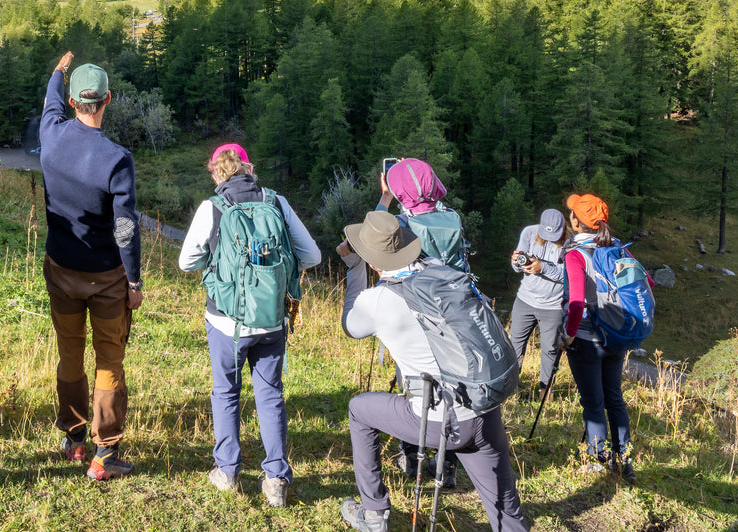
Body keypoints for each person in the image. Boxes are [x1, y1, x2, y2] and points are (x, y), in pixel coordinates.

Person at [337, 211, 529, 532]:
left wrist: (353, 268)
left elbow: (350, 324)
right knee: (506, 510)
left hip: (438, 420)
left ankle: (373, 513)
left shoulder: (378, 300)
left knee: (359, 410)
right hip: (483, 405)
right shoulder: (442, 272)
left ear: (372, 261)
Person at [178, 143, 321, 505]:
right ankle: (275, 480)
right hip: (272, 319)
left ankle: (227, 470)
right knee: (270, 394)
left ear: (216, 172)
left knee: (226, 391)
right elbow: (312, 255)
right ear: (248, 169)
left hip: (225, 322)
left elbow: (187, 262)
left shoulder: (212, 208)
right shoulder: (277, 203)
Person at [39, 51, 142, 480]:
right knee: (108, 360)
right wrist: (133, 279)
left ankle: (73, 438)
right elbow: (125, 228)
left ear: (70, 103)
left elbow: (48, 101)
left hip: (61, 269)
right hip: (105, 278)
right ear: (107, 100)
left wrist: (58, 72)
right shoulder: (116, 159)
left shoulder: (50, 133)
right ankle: (105, 453)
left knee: (69, 354)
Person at [375, 156, 466, 483]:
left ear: (400, 192)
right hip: (451, 314)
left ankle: (412, 457)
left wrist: (386, 196)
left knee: (415, 387)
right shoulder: (453, 219)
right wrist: (414, 177)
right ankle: (447, 465)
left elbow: (372, 242)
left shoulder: (400, 224)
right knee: (450, 388)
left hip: (410, 314)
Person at [562, 193, 638, 482]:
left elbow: (577, 302)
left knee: (593, 403)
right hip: (616, 336)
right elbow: (648, 282)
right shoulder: (619, 249)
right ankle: (625, 460)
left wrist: (569, 336)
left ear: (576, 222)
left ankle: (597, 461)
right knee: (615, 399)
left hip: (585, 339)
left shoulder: (575, 254)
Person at [507, 208, 569, 398]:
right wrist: (517, 262)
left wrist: (543, 268)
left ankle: (545, 392)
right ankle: (510, 388)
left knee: (550, 349)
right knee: (514, 345)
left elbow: (567, 274)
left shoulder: (570, 243)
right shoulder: (529, 233)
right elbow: (516, 267)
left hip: (553, 305)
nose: (550, 238)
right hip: (525, 299)